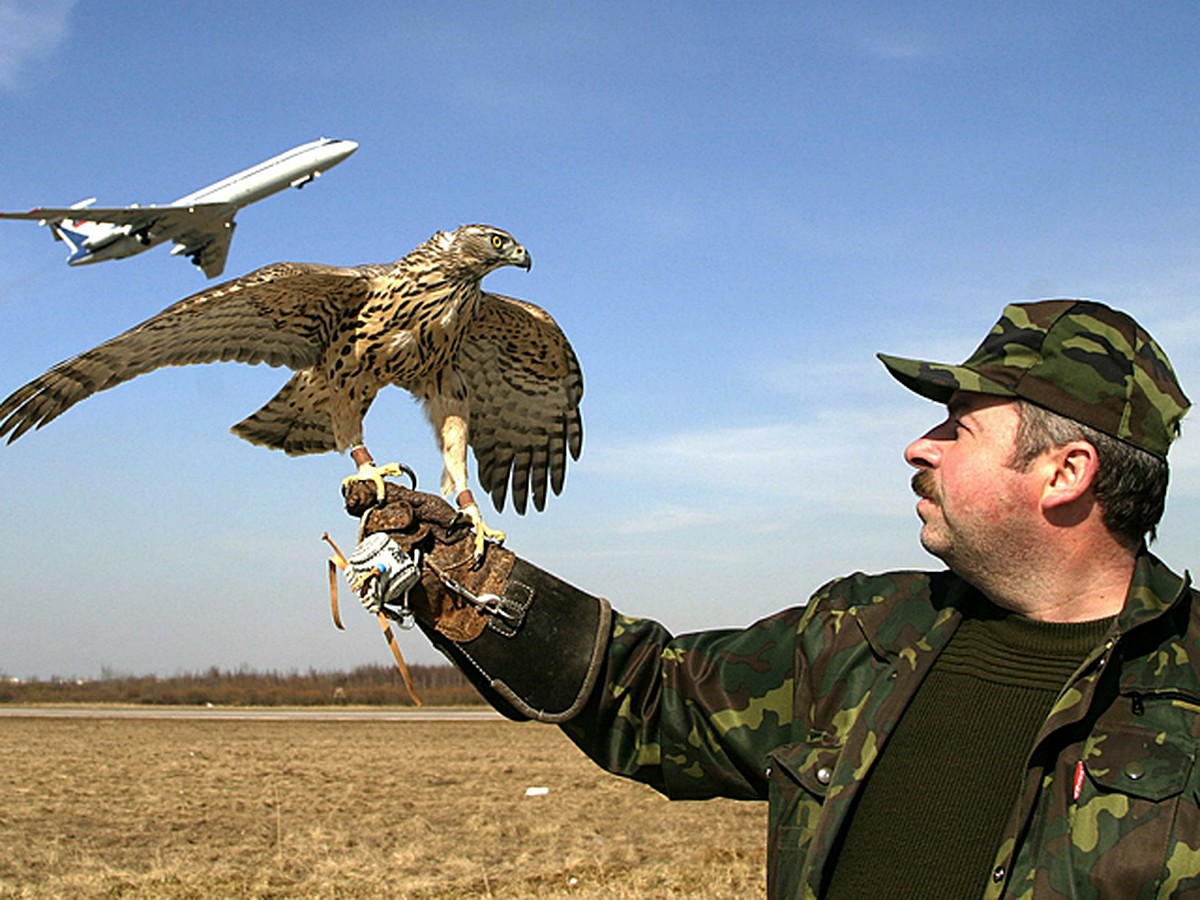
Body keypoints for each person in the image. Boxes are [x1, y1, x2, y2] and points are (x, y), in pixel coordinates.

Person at [342, 299, 1198, 900]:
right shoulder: (864, 634)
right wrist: (467, 579)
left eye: (957, 426)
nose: (916, 445)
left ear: (1065, 473)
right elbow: (647, 695)